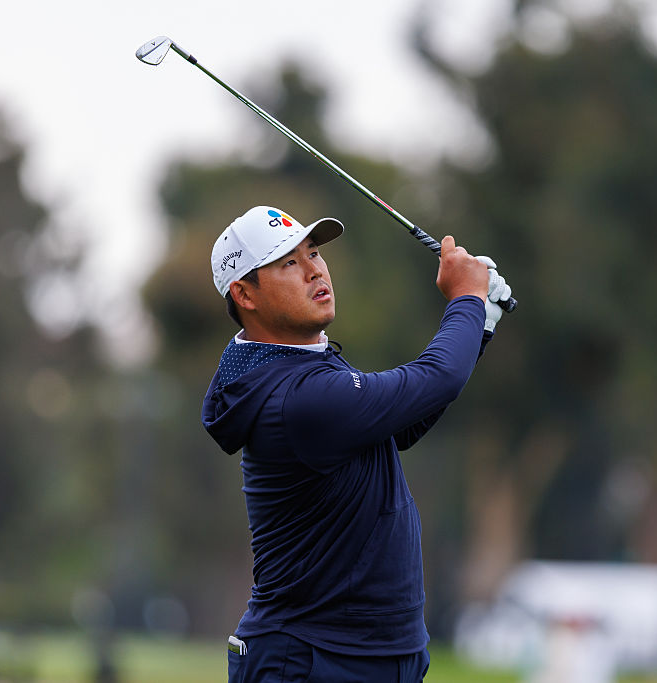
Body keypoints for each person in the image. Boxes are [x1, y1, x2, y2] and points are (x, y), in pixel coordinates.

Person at [202, 205, 510, 682]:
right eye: (288, 263)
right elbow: (436, 379)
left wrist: (480, 324)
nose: (314, 271)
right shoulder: (296, 396)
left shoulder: (304, 367)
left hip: (368, 655)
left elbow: (402, 426)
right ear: (244, 294)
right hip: (311, 661)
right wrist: (467, 300)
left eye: (314, 253)